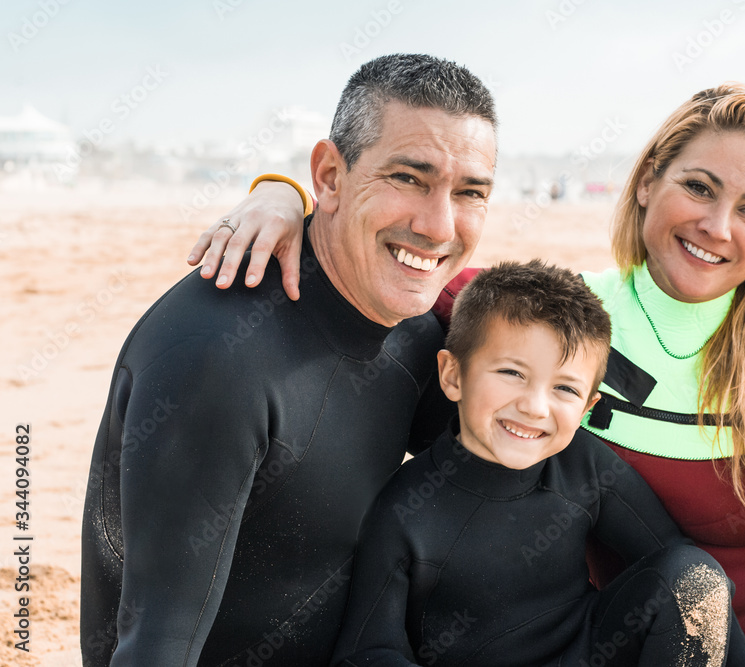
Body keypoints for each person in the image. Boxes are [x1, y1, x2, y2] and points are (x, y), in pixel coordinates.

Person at [192, 84, 745, 665]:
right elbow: (394, 261)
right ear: (648, 180)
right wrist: (288, 199)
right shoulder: (557, 324)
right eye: (698, 186)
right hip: (640, 636)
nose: (717, 226)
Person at [80, 53, 500, 666]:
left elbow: (521, 468)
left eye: (469, 193)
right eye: (408, 178)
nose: (438, 226)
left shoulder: (413, 328)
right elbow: (155, 645)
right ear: (329, 176)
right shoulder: (217, 358)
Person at [332, 259, 745, 666]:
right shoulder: (404, 509)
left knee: (695, 577)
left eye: (565, 389)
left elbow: (681, 566)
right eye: (512, 373)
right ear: (453, 375)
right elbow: (366, 650)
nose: (535, 407)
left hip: (590, 649)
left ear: (589, 407)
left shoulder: (583, 467)